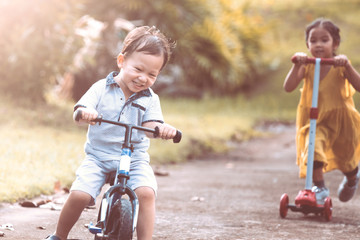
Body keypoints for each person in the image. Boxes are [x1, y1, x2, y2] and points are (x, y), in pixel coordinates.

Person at [47, 26, 177, 240]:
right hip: (98, 157)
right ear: (121, 61)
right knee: (79, 195)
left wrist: (162, 129)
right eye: (138, 69)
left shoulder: (150, 98)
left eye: (152, 74)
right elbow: (79, 112)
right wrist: (86, 112)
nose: (143, 78)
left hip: (133, 159)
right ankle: (59, 235)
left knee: (146, 193)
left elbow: (152, 125)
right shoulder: (101, 88)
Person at [283, 18, 360, 205]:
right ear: (307, 44)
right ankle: (318, 188)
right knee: (313, 149)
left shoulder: (340, 65)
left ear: (335, 43)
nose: (318, 44)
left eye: (324, 40)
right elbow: (288, 87)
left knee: (346, 159)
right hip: (315, 120)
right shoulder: (307, 65)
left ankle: (352, 178)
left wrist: (347, 65)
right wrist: (296, 65)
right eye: (313, 40)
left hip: (342, 121)